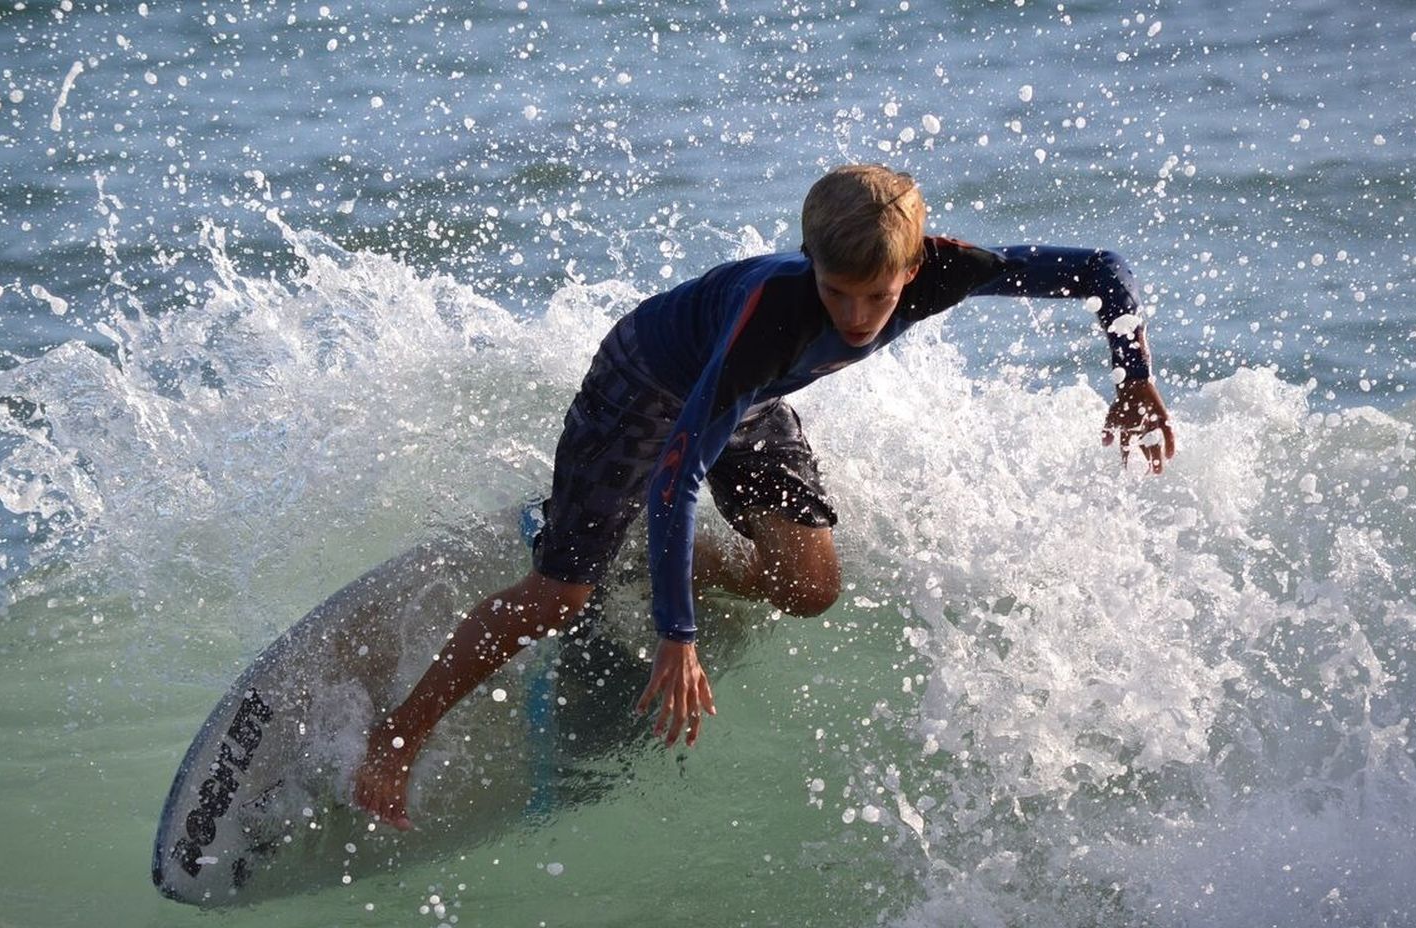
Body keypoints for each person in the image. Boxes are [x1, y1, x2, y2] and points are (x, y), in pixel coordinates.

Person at [354, 163, 1176, 828]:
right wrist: (677, 636)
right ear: (810, 261)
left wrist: (1134, 378)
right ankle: (398, 735)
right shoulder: (774, 320)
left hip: (746, 394)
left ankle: (653, 559)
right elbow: (675, 478)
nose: (856, 316)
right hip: (645, 385)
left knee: (809, 587)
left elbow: (1103, 270)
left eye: (878, 296)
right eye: (836, 291)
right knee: (560, 595)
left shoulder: (947, 270)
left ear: (912, 268)